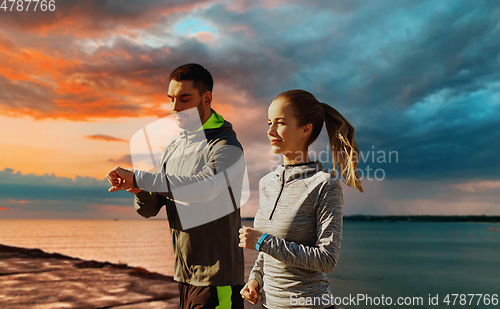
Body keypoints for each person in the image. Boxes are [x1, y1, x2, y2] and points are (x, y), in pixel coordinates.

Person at [106, 63, 246, 309]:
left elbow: (204, 188)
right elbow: (150, 209)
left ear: (207, 98)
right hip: (184, 275)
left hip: (218, 278)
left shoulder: (226, 146)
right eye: (171, 99)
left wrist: (140, 177)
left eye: (184, 98)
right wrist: (138, 191)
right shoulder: (173, 148)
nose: (175, 107)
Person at [238, 89, 364, 308]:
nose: (271, 130)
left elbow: (327, 260)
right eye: (269, 122)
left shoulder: (324, 184)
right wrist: (255, 279)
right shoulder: (267, 183)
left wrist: (262, 241)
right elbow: (267, 250)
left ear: (305, 129)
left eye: (280, 123)